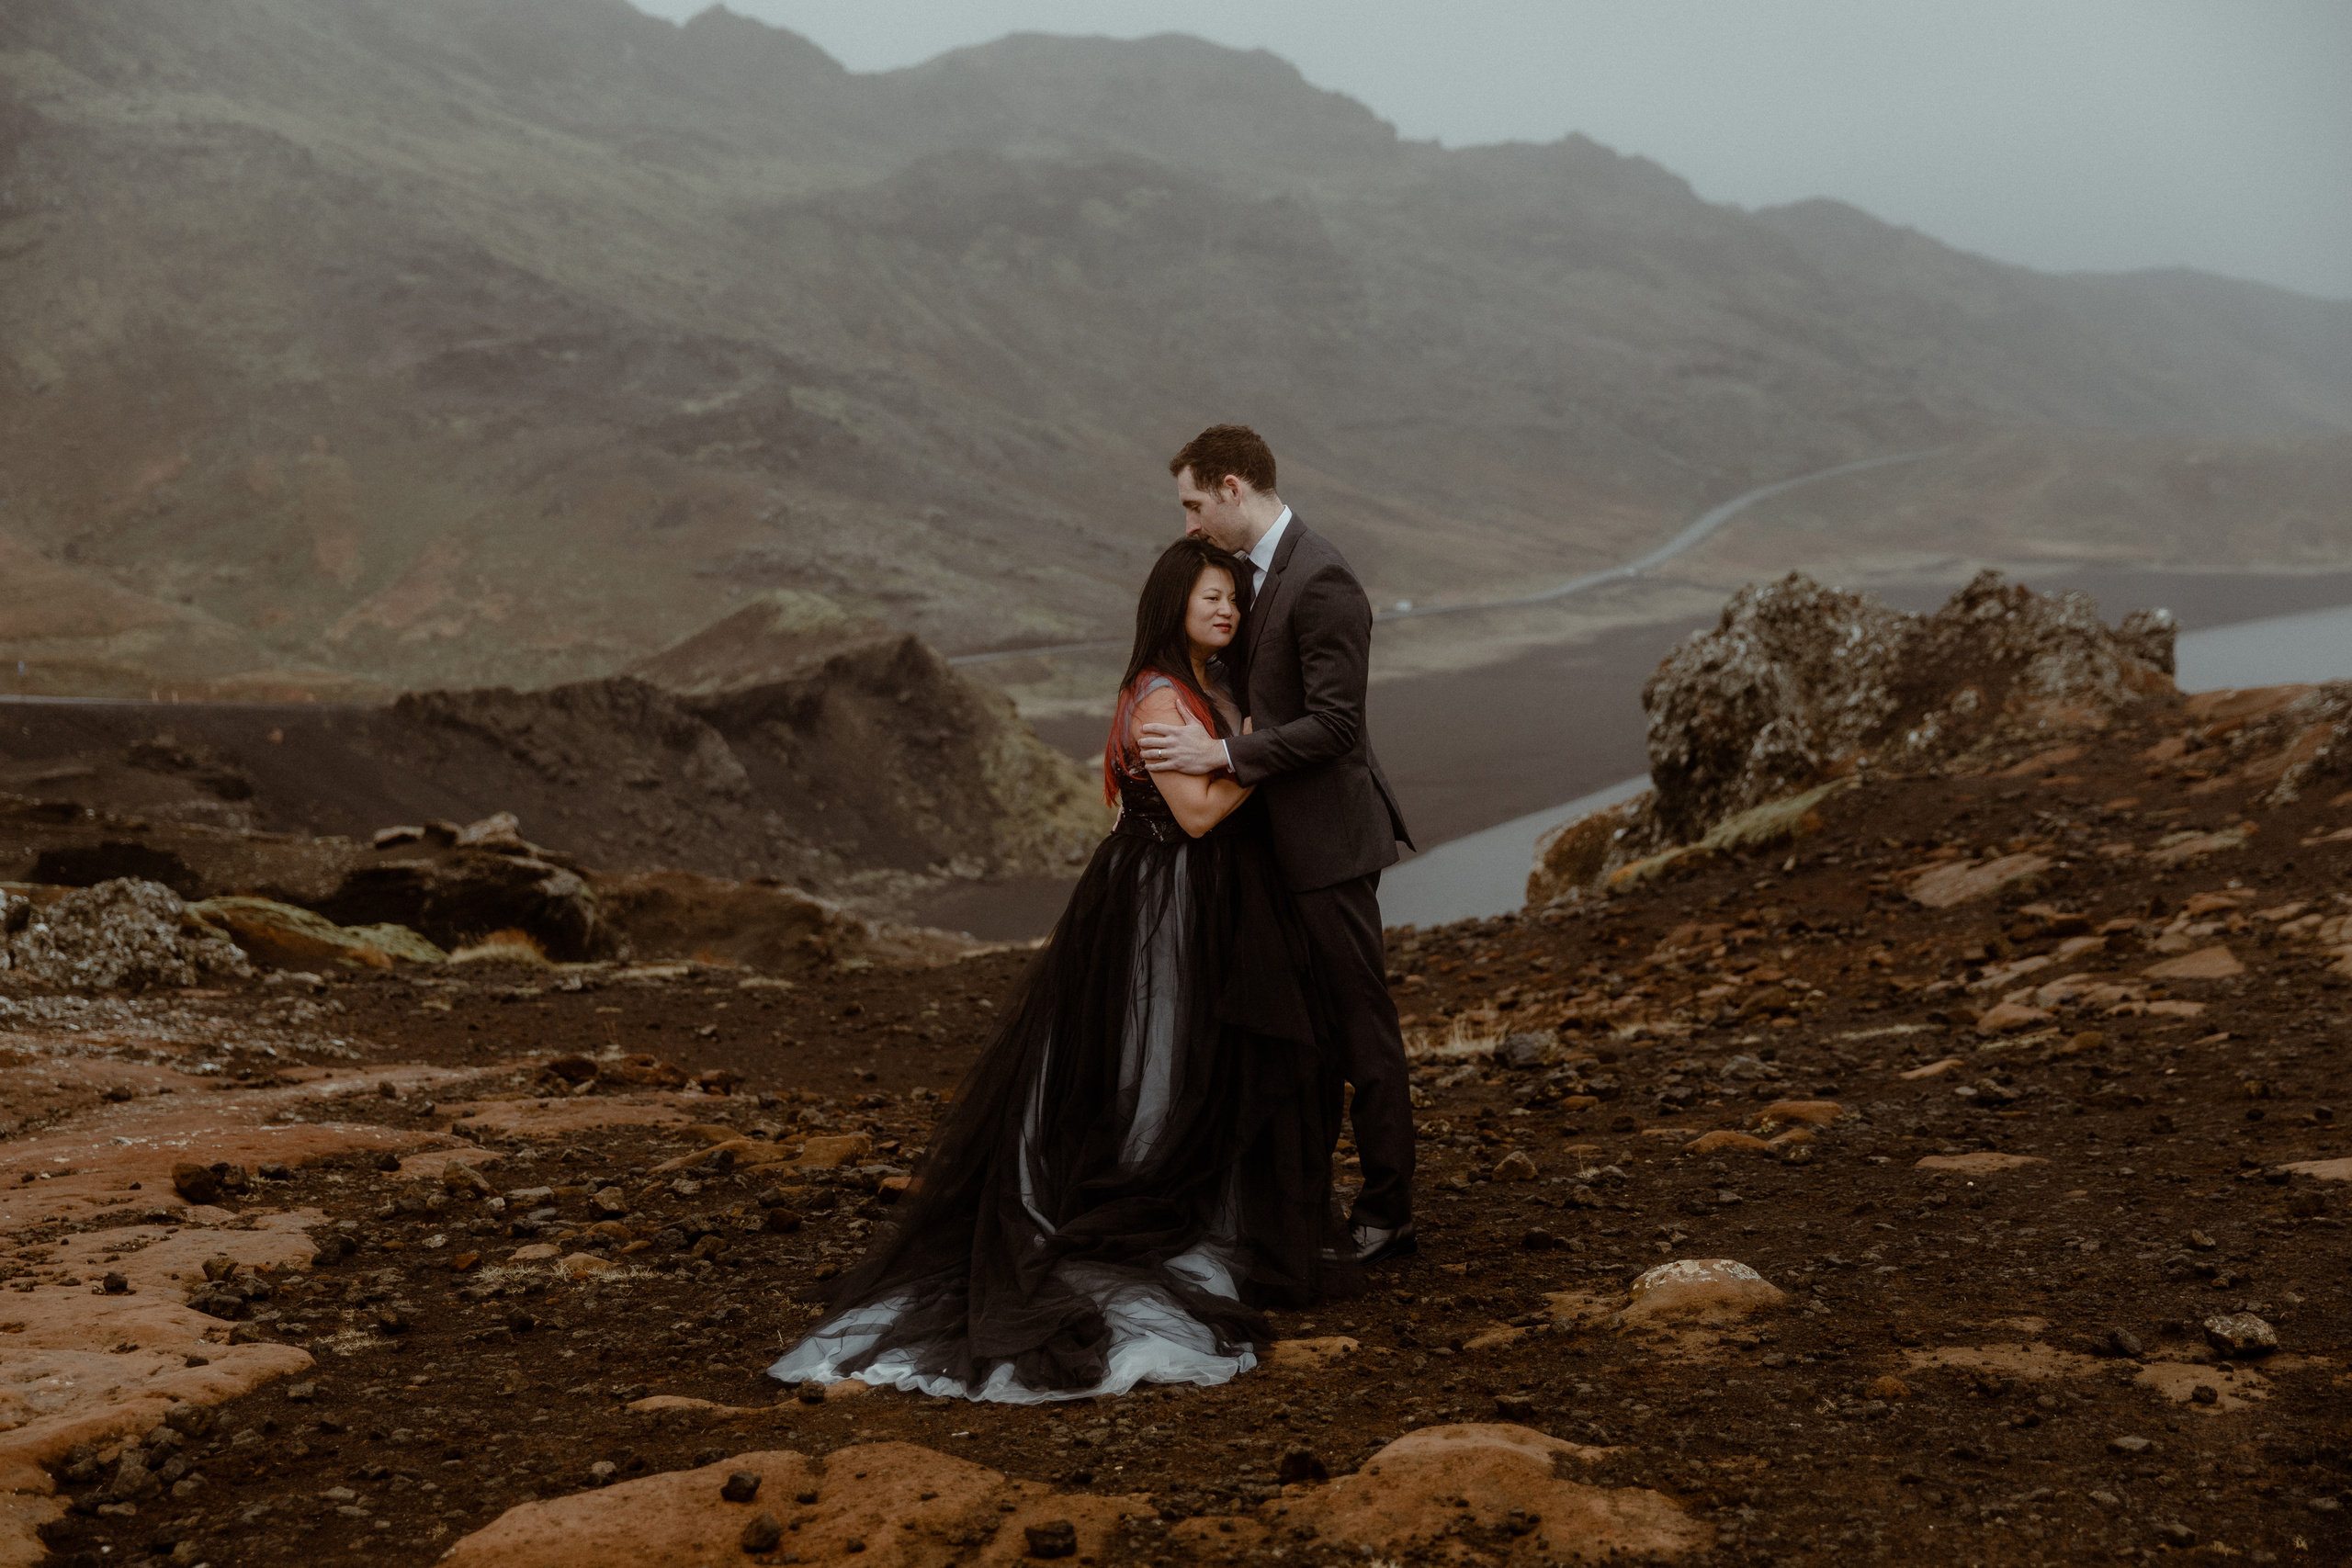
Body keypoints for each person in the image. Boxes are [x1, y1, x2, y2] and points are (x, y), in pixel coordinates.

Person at [767, 536, 1359, 1403]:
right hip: (1168, 904)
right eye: (1210, 598)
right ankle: (1155, 1207)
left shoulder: (1206, 689)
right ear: (1172, 606)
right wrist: (1260, 758)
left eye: (1234, 598)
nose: (1227, 611)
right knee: (1159, 1062)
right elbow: (1195, 816)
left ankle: (1207, 1205)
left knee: (1191, 1060)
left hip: (1194, 901)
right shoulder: (1160, 697)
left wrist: (1240, 748)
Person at [1137, 424, 1419, 1265]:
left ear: (1230, 487)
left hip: (1329, 847)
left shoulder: (1321, 577)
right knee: (1301, 1040)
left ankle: (1388, 1213)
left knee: (1360, 1032)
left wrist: (1220, 755)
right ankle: (1296, 1207)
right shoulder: (1251, 578)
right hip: (1271, 855)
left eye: (1194, 503)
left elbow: (1336, 727)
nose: (1189, 524)